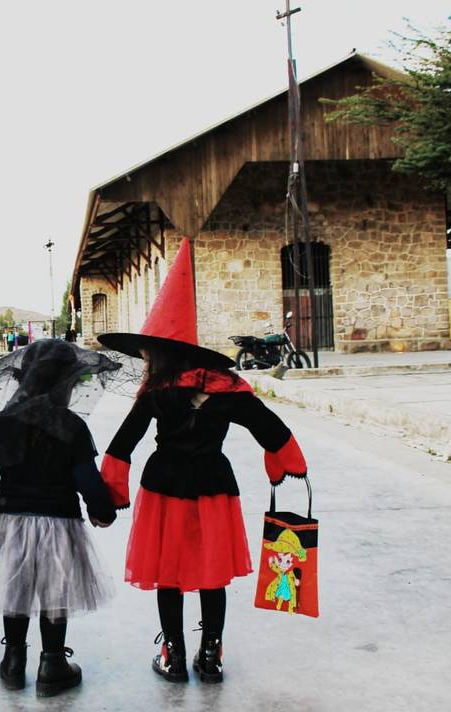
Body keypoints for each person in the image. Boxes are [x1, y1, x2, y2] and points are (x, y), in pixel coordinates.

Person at [97, 238, 307, 685]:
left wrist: (111, 492)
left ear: (162, 353)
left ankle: (173, 654)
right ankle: (211, 654)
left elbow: (122, 445)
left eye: (148, 352)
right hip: (213, 484)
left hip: (164, 487)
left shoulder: (156, 393)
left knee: (167, 574)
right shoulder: (229, 390)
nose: (145, 358)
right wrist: (286, 465)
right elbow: (274, 432)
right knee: (213, 574)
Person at [0, 339, 117, 697]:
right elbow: (86, 479)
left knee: (14, 589)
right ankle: (52, 663)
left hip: (10, 518)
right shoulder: (72, 425)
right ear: (66, 382)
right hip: (58, 519)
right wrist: (102, 511)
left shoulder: (3, 421)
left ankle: (13, 662)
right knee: (54, 590)